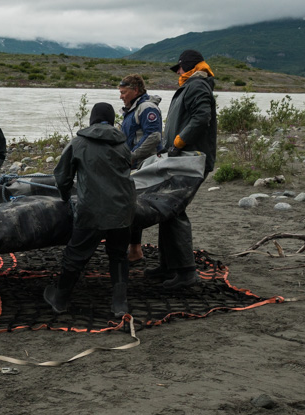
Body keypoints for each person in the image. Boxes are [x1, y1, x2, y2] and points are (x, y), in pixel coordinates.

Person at [43, 102, 136, 317]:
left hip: (92, 211)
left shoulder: (78, 143)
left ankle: (60, 299)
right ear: (112, 120)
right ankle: (120, 304)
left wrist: (65, 198)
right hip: (123, 210)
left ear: (91, 119)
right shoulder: (123, 144)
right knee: (118, 255)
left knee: (75, 255)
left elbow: (62, 178)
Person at [147, 49, 217, 291]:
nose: (177, 72)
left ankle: (186, 272)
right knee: (167, 209)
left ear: (187, 66)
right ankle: (168, 266)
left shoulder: (197, 85)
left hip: (191, 158)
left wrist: (179, 142)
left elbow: (201, 118)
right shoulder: (191, 85)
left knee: (174, 210)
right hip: (182, 157)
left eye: (178, 67)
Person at [118, 74, 163, 263]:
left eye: (123, 92)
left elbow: (153, 136)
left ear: (135, 90)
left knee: (133, 207)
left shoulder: (147, 108)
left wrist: (131, 156)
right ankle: (133, 249)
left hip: (144, 166)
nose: (120, 96)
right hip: (134, 164)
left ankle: (135, 250)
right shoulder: (132, 110)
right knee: (130, 206)